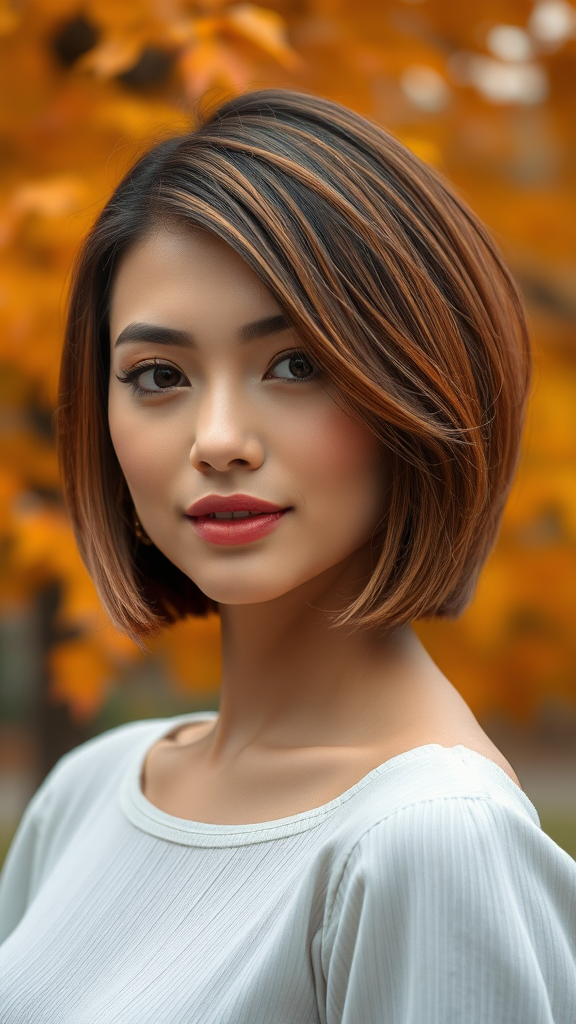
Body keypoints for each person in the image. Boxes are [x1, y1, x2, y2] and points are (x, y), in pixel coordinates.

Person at [0, 89, 574, 1023]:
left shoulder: (430, 841)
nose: (217, 438)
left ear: (421, 382)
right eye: (158, 377)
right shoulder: (90, 792)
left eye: (296, 365)